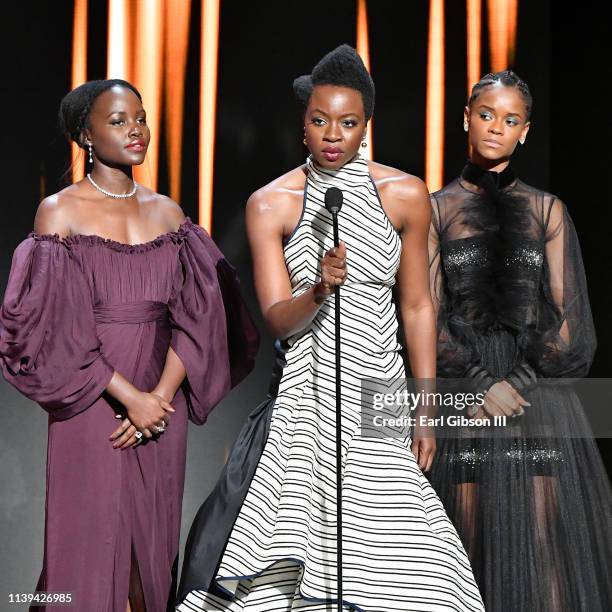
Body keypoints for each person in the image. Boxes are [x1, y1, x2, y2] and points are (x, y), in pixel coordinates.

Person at [177, 45, 484, 612]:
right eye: (320, 121)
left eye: (347, 123)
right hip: (308, 394)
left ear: (366, 126)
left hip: (380, 392)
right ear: (303, 124)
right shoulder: (271, 203)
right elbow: (275, 315)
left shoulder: (406, 194)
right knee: (295, 553)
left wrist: (423, 407)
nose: (332, 134)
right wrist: (317, 290)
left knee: (411, 557)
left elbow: (418, 306)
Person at [0, 79, 259, 612]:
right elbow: (57, 329)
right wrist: (130, 399)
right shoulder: (59, 212)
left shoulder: (170, 215)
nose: (136, 129)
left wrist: (158, 398)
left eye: (140, 117)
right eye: (118, 120)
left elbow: (200, 318)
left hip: (163, 406)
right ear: (85, 134)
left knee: (152, 553)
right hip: (91, 401)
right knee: (86, 551)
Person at [427, 70, 612, 611]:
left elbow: (571, 318)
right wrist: (483, 384)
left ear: (525, 132)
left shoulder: (546, 210)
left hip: (539, 394)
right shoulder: (435, 210)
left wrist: (521, 381)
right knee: (466, 538)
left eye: (510, 121)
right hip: (463, 392)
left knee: (544, 543)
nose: (495, 128)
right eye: (486, 115)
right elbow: (425, 314)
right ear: (466, 117)